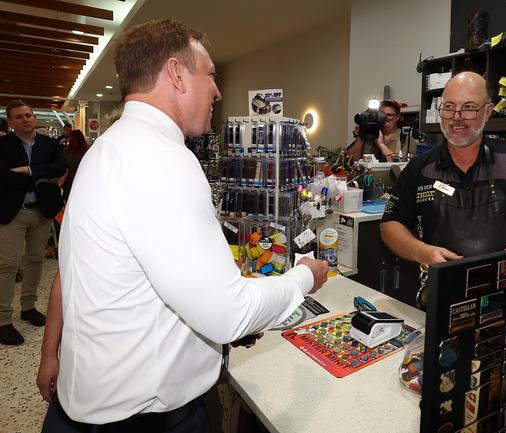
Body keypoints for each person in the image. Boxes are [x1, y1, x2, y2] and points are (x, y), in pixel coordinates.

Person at [40, 19, 328, 432]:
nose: (217, 90)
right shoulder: (159, 159)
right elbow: (230, 313)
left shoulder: (109, 149)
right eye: (210, 74)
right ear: (176, 74)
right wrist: (304, 276)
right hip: (142, 422)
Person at [380, 71, 506, 265]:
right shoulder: (420, 168)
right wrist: (419, 251)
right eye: (449, 107)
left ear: (488, 112)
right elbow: (390, 223)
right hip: (440, 289)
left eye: (469, 107)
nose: (456, 117)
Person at [0, 100, 67, 345]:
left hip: (41, 210)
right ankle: (3, 320)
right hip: (13, 212)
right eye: (19, 117)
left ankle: (28, 306)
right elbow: (3, 176)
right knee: (8, 265)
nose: (26, 119)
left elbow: (61, 166)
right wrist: (42, 176)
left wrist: (28, 171)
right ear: (11, 122)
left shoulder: (50, 144)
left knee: (36, 260)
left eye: (28, 115)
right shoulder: (3, 145)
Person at [59, 129, 89, 201]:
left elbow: (62, 167)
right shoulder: (88, 150)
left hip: (70, 182)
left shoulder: (66, 151)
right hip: (85, 181)